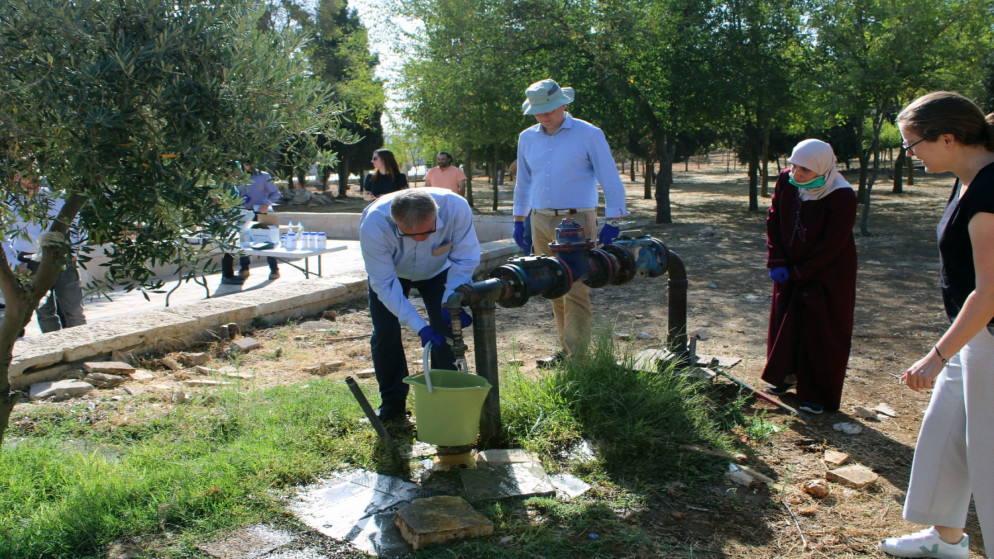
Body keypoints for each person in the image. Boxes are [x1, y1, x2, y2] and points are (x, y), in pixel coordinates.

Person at [879, 91, 994, 559]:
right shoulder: (967, 178)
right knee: (944, 433)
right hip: (973, 336)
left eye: (912, 144)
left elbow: (988, 293)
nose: (909, 154)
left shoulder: (989, 194)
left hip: (988, 336)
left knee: (986, 454)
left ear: (947, 138)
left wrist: (936, 356)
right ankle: (947, 541)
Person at [511, 78, 629, 364]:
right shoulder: (527, 137)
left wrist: (613, 218)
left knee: (575, 288)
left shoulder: (588, 133)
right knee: (550, 284)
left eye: (550, 108)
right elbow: (524, 181)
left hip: (576, 221)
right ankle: (566, 349)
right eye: (539, 110)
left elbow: (609, 176)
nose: (545, 115)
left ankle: (579, 358)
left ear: (564, 104)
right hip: (540, 219)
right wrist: (519, 218)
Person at [359, 188, 480, 422]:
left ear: (436, 214)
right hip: (393, 272)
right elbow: (383, 283)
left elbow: (465, 259)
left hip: (440, 268)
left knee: (447, 329)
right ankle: (392, 403)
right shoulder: (374, 223)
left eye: (427, 232)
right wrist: (419, 326)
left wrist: (450, 300)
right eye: (410, 235)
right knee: (385, 332)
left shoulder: (456, 208)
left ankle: (445, 399)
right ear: (395, 221)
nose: (421, 239)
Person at [760, 139, 857, 415]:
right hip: (787, 267)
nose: (797, 174)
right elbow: (774, 218)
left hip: (828, 273)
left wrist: (802, 271)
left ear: (822, 169)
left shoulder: (841, 195)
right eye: (793, 166)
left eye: (805, 169)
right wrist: (777, 259)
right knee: (785, 322)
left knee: (820, 328)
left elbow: (832, 243)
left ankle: (816, 393)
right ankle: (784, 377)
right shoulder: (787, 182)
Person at [8, 170, 87, 333]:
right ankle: (56, 351)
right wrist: (16, 264)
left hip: (61, 257)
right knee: (44, 312)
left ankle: (81, 348)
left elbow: (77, 223)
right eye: (25, 175)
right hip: (30, 262)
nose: (32, 179)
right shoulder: (11, 203)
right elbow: (5, 236)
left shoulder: (57, 197)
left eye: (34, 173)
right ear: (17, 177)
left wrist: (74, 251)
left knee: (74, 309)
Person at [221, 163, 281, 284]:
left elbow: (276, 193)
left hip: (261, 211)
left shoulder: (263, 176)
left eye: (248, 163)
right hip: (244, 212)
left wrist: (267, 203)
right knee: (244, 239)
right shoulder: (237, 178)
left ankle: (274, 269)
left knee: (268, 240)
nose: (245, 166)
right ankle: (244, 268)